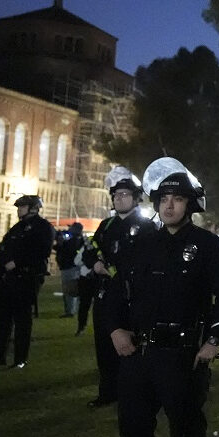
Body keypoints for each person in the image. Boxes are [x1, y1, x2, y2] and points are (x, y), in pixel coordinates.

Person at [85, 157, 219, 437]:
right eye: (163, 198)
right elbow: (117, 293)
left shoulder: (207, 246)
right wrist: (116, 330)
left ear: (190, 204)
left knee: (185, 434)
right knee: (133, 433)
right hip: (138, 355)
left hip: (183, 357)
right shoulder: (141, 245)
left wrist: (214, 340)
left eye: (178, 198)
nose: (169, 205)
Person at [83, 167, 156, 407]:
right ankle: (107, 392)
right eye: (116, 195)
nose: (119, 198)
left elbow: (146, 260)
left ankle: (132, 393)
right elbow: (91, 249)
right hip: (105, 293)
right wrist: (95, 263)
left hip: (130, 295)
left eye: (125, 194)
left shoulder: (145, 227)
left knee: (129, 345)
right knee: (103, 345)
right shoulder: (106, 225)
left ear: (135, 198)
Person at [0, 195, 54, 369]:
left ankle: (20, 359)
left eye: (22, 207)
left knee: (22, 321)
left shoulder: (43, 227)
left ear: (32, 208)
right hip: (8, 280)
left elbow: (41, 252)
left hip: (26, 278)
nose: (18, 210)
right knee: (2, 320)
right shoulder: (17, 228)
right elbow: (3, 248)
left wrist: (18, 262)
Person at [55, 222, 84, 318]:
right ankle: (72, 310)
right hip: (72, 267)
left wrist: (61, 242)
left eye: (71, 228)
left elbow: (66, 251)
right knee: (73, 289)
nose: (69, 230)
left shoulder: (74, 240)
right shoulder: (77, 239)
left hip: (69, 267)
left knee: (69, 289)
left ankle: (70, 311)